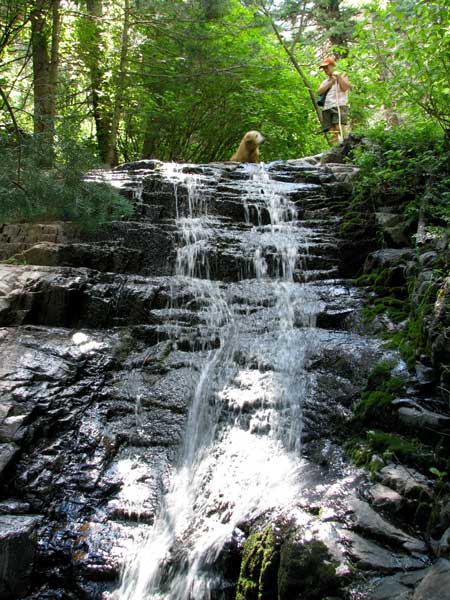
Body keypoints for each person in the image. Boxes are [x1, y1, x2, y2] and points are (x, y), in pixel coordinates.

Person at [317, 57, 351, 144]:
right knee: (331, 131)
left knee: (339, 127)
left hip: (339, 105)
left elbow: (345, 87)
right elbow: (319, 92)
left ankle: (343, 146)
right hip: (327, 107)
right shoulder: (326, 81)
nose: (325, 70)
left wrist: (338, 77)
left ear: (332, 66)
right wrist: (331, 81)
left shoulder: (343, 75)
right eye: (323, 68)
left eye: (326, 67)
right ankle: (334, 148)